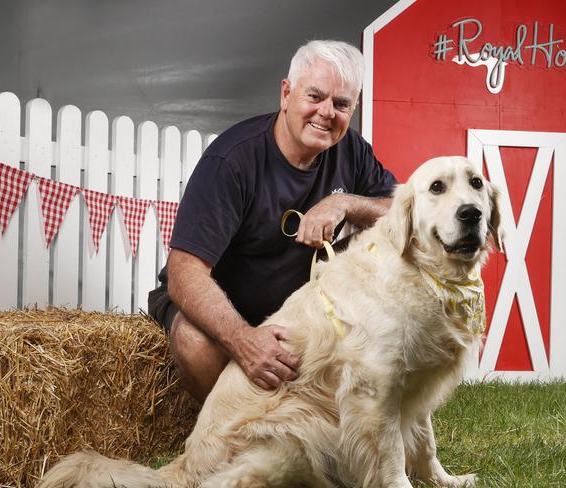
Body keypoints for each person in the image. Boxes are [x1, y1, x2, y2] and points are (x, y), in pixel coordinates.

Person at [148, 40, 397, 403]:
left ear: (353, 108)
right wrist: (242, 339)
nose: (327, 112)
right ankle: (227, 437)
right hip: (223, 309)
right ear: (286, 94)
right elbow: (184, 272)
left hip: (296, 306)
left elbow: (405, 211)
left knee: (376, 248)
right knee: (195, 341)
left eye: (341, 104)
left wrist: (343, 203)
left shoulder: (352, 150)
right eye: (315, 96)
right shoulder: (232, 160)